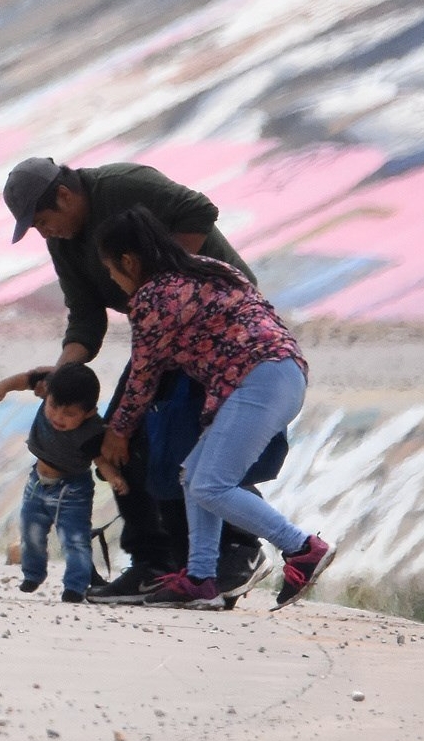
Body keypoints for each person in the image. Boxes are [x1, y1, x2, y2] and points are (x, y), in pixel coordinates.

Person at [0, 156, 273, 605]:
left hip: (220, 331)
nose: (44, 233)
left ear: (64, 195)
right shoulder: (64, 244)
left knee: (188, 438)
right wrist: (63, 377)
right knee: (121, 438)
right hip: (161, 337)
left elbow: (199, 210)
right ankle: (157, 565)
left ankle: (240, 551)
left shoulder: (123, 185)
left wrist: (165, 279)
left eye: (43, 221)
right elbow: (84, 320)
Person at [95, 207, 335, 610]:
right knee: (194, 476)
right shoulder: (208, 268)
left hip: (258, 378)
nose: (116, 282)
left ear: (128, 261)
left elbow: (142, 377)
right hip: (282, 372)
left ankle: (302, 548)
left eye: (112, 271)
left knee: (212, 484)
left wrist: (116, 431)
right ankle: (201, 577)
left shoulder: (153, 297)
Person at [0, 360, 106, 602]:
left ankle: (75, 587)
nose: (58, 417)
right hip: (37, 482)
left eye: (69, 414)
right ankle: (33, 574)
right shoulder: (51, 386)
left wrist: (115, 478)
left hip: (73, 489)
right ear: (47, 395)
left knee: (75, 539)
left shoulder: (91, 430)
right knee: (30, 531)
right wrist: (3, 386)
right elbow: (28, 378)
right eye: (54, 407)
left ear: (89, 413)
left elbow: (101, 459)